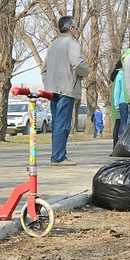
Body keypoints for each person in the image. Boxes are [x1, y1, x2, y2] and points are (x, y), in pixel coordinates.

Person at [42, 16, 89, 166]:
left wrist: (49, 84)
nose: (76, 30)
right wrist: (85, 72)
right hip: (66, 89)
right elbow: (77, 63)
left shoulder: (53, 45)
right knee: (63, 124)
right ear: (71, 29)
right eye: (76, 27)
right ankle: (58, 157)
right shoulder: (72, 43)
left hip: (52, 90)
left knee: (57, 123)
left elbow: (44, 70)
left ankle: (58, 155)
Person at [109, 61, 123, 148]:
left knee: (117, 124)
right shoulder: (120, 75)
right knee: (120, 125)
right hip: (120, 102)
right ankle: (118, 145)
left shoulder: (115, 75)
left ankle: (115, 144)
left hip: (116, 103)